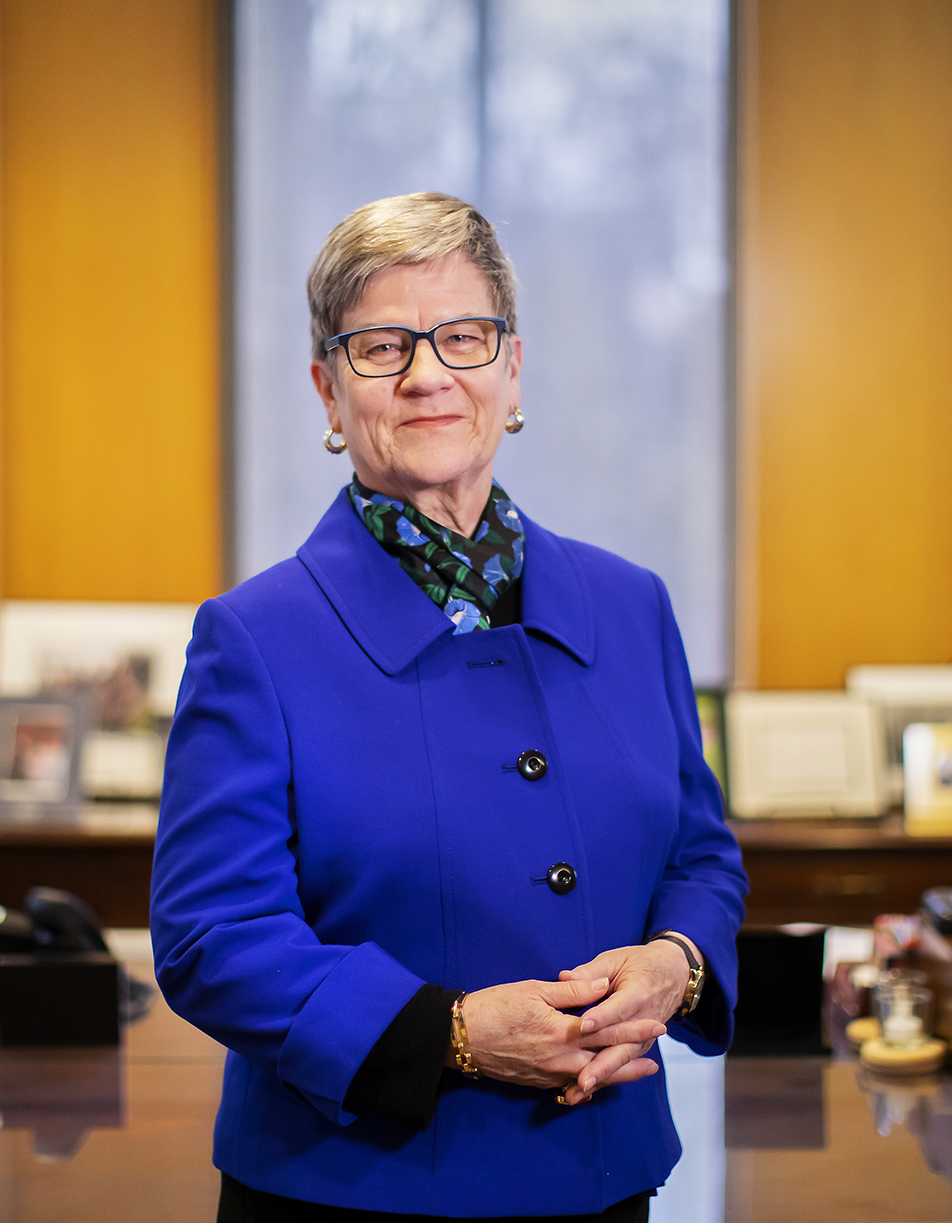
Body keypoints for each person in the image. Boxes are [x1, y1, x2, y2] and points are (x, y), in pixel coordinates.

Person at [151, 192, 747, 1221]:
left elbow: (700, 856)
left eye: (461, 338)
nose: (426, 373)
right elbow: (212, 936)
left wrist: (675, 965)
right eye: (380, 347)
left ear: (510, 371)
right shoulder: (254, 637)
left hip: (601, 1178)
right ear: (328, 394)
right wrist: (457, 1032)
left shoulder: (631, 604)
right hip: (351, 1190)